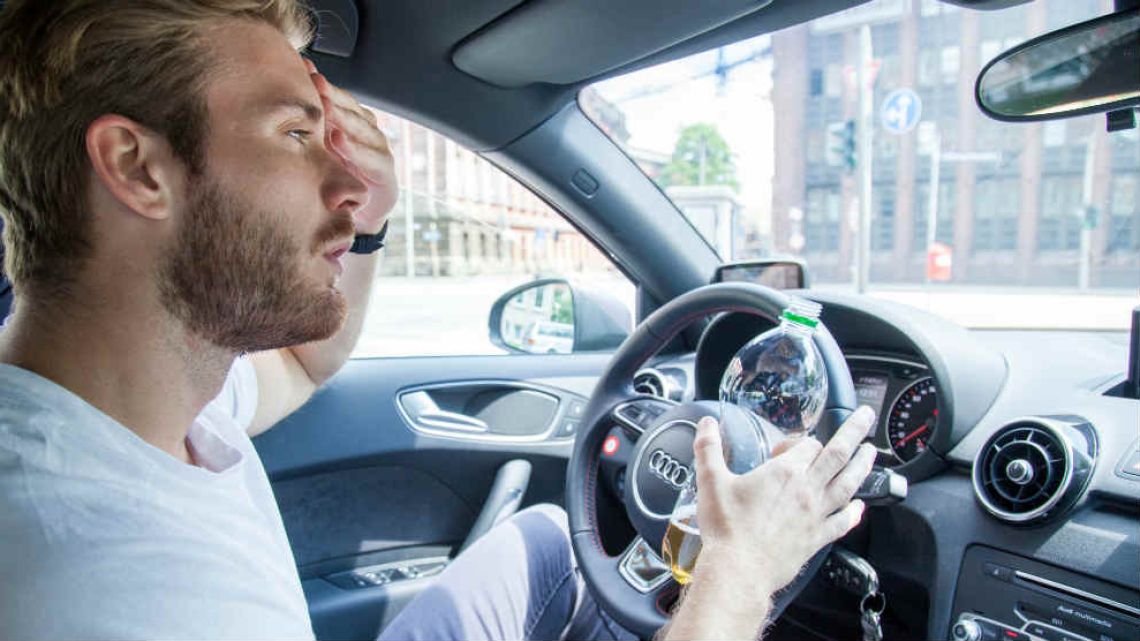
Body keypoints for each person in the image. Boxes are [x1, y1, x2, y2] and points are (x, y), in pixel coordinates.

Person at [0, 1, 876, 639]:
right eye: (296, 135)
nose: (346, 183)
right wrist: (742, 563)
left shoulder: (138, 391)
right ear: (135, 166)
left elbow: (306, 366)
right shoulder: (92, 584)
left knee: (550, 546)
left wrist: (367, 222)